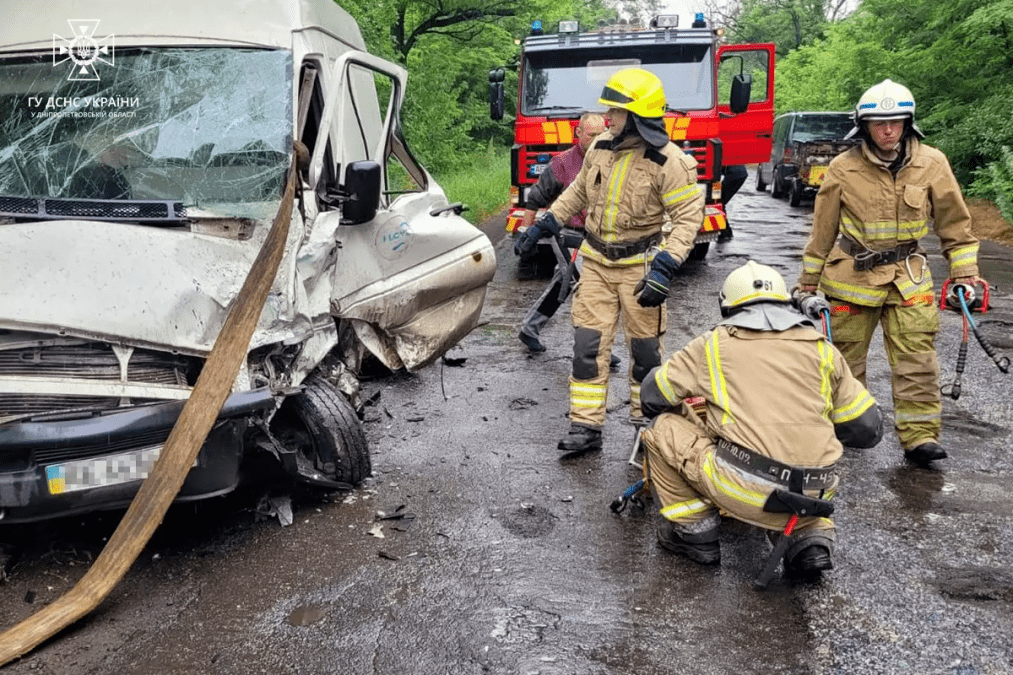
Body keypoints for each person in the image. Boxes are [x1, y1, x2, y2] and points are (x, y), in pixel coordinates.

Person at [638, 261, 884, 572]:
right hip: (817, 493)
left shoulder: (713, 345)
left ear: (727, 308)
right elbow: (866, 430)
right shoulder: (823, 349)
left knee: (662, 428)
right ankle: (809, 538)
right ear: (785, 302)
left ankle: (694, 534)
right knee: (797, 459)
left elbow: (652, 396)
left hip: (745, 492)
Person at [794, 79, 986, 467]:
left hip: (909, 278)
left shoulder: (932, 164)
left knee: (917, 360)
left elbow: (956, 228)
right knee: (844, 363)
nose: (888, 130)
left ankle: (920, 438)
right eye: (879, 123)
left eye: (896, 122)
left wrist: (964, 277)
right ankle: (848, 428)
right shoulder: (842, 168)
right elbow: (822, 233)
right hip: (850, 280)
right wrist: (807, 285)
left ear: (908, 123)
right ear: (863, 126)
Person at [515, 68, 704, 454]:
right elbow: (578, 192)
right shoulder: (601, 146)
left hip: (640, 267)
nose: (607, 119)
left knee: (645, 355)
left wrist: (665, 268)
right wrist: (543, 223)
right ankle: (586, 428)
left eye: (615, 111)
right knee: (587, 348)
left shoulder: (671, 162)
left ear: (636, 114)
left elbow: (687, 219)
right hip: (597, 262)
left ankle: (647, 425)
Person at [516, 113, 606, 353]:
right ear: (578, 133)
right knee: (586, 285)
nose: (597, 140)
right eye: (591, 135)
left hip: (595, 236)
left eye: (601, 135)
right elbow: (535, 199)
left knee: (563, 284)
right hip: (566, 233)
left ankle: (529, 329)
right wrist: (526, 232)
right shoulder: (562, 163)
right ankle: (594, 345)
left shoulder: (609, 161)